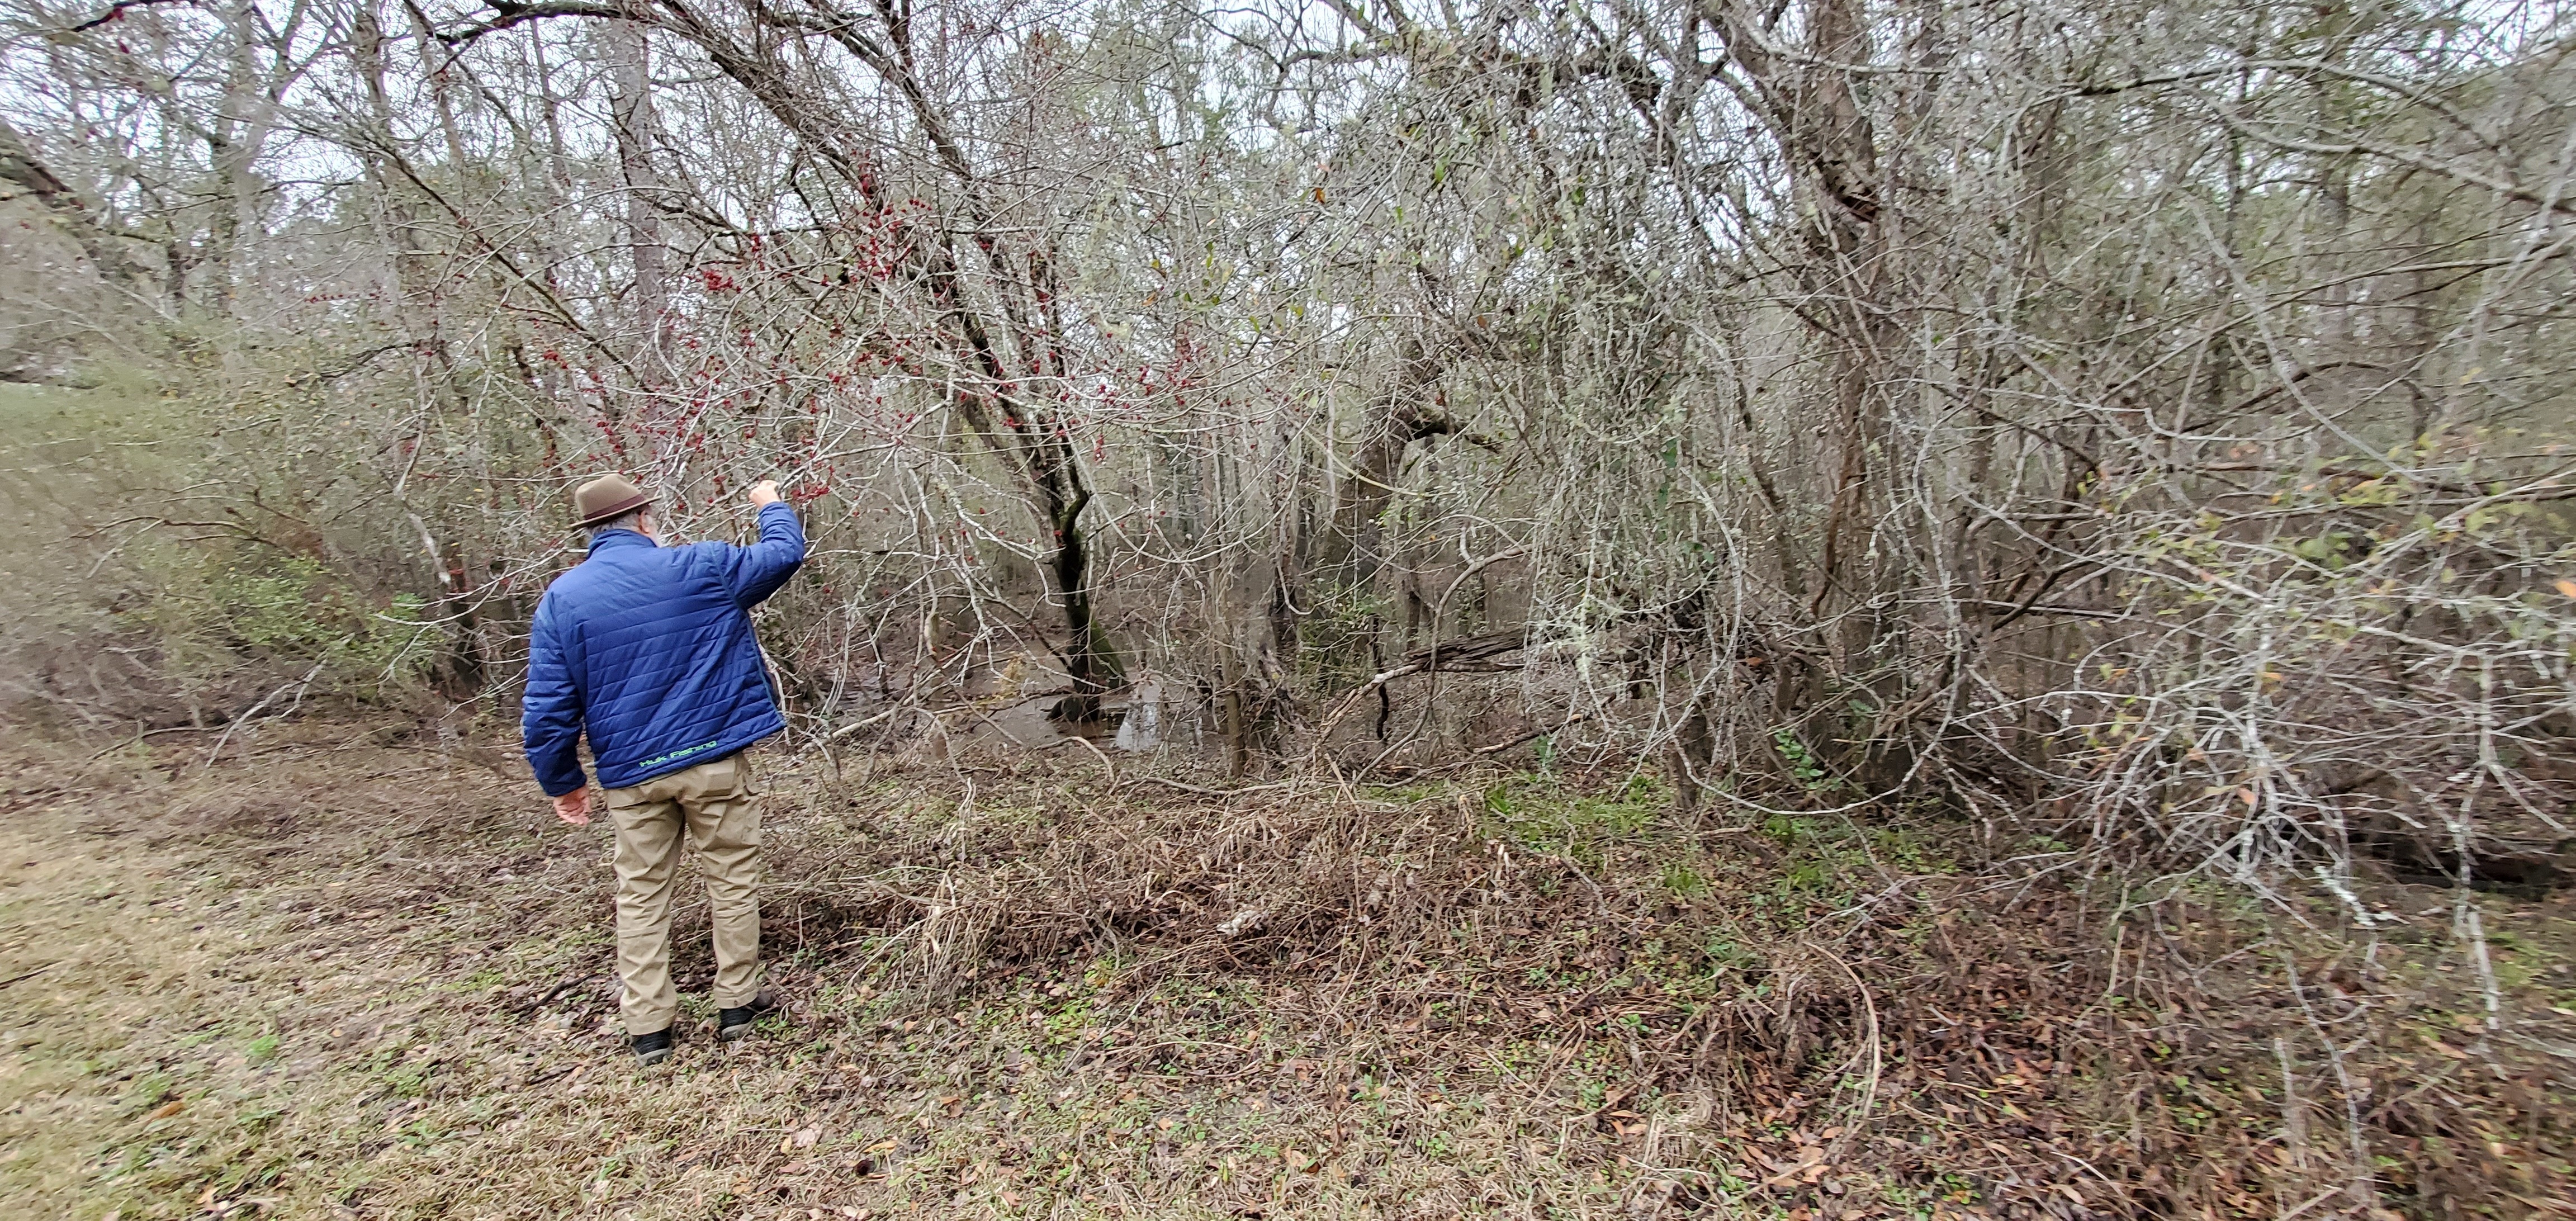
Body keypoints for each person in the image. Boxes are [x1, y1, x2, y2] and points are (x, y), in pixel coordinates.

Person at [522, 473, 806, 1064]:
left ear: (590, 534)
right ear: (645, 520)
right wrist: (771, 503)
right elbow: (783, 554)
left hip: (633, 774)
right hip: (716, 760)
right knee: (731, 879)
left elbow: (547, 708)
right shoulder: (701, 566)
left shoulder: (564, 599)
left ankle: (649, 1028)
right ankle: (737, 1005)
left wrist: (564, 783)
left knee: (643, 894)